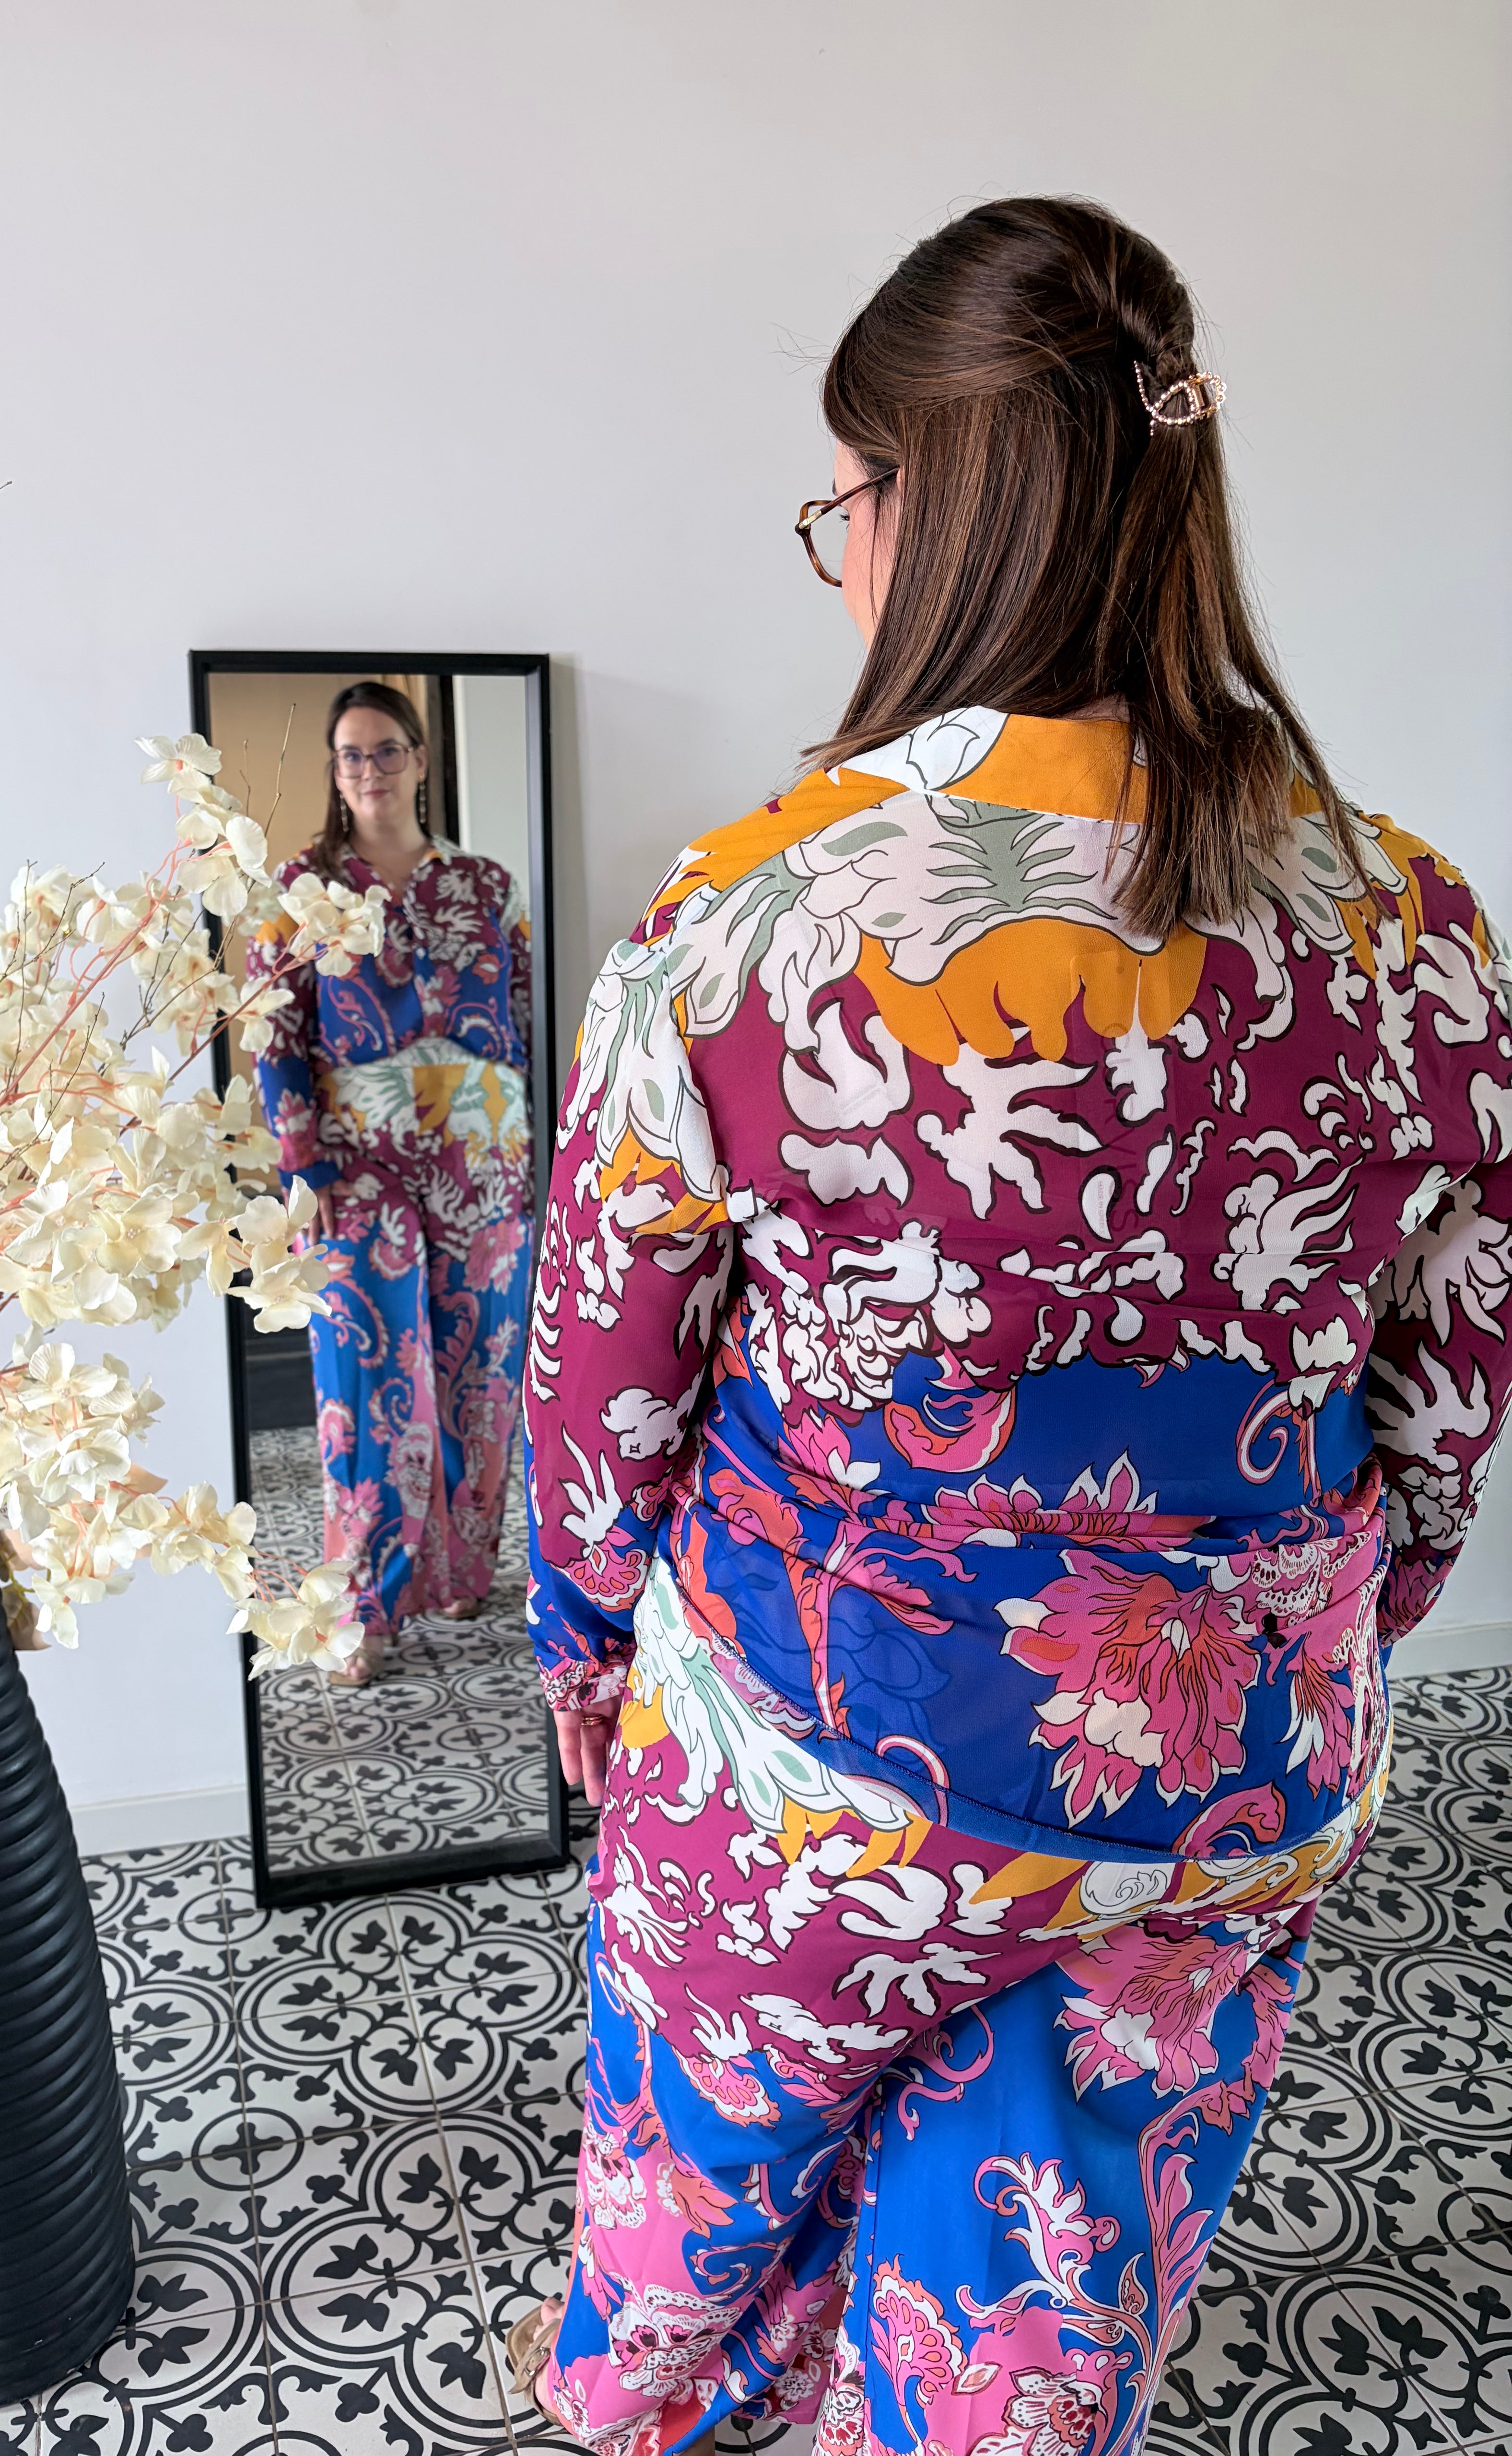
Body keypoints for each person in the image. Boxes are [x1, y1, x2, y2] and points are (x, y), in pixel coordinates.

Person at [512, 197, 1512, 2456]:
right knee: (1029, 2322)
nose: (836, 556)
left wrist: (585, 1649)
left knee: (695, 2208)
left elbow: (598, 1393)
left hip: (823, 1759)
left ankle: (670, 2396)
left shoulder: (753, 923)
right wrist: (1320, 1625)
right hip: (1227, 1770)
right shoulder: (1417, 922)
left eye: (837, 504)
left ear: (933, 507)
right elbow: (1447, 1404)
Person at [248, 680, 532, 1682]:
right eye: (349, 755)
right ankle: (362, 1605)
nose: (368, 769)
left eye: (384, 749)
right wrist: (302, 1164)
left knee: (480, 1384)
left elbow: (518, 1032)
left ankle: (458, 1570)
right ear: (336, 774)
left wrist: (523, 1167)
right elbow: (272, 1035)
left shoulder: (488, 888)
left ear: (419, 756)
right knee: (367, 1386)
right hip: (354, 1173)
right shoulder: (299, 895)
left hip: (481, 1165)